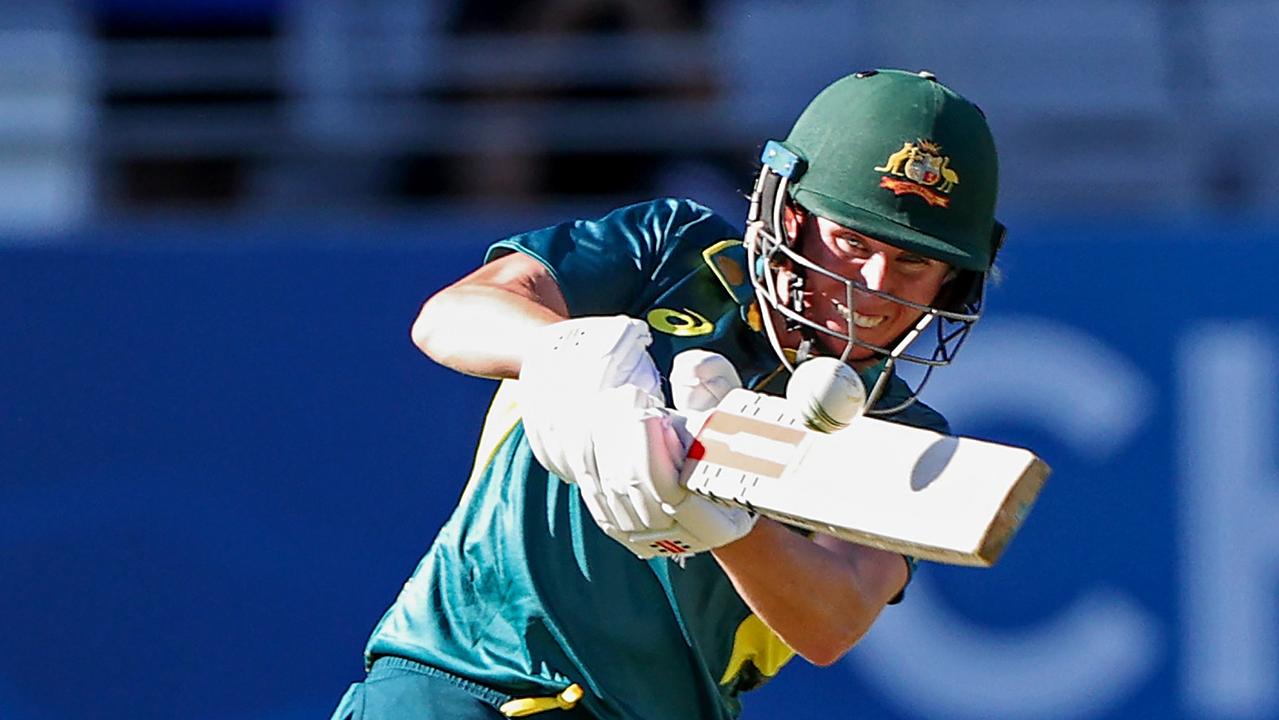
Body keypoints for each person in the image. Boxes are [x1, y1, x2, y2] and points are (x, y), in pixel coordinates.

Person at [331, 68, 1004, 720]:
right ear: (787, 214)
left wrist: (721, 516)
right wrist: (577, 359)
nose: (875, 284)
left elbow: (834, 617)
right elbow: (452, 315)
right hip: (462, 684)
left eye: (913, 261)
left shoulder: (902, 430)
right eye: (850, 242)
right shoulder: (670, 252)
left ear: (952, 281)